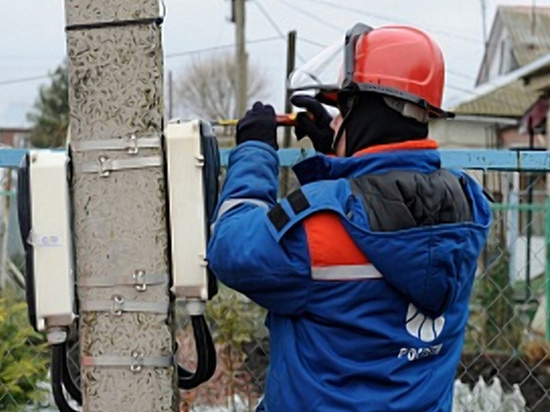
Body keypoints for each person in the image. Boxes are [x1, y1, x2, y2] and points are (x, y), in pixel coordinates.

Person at [207, 23, 491, 412]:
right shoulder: (469, 205)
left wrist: (255, 153)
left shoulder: (320, 231)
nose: (336, 120)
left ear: (366, 111)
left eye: (344, 109)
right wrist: (342, 159)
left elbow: (231, 247)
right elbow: (379, 209)